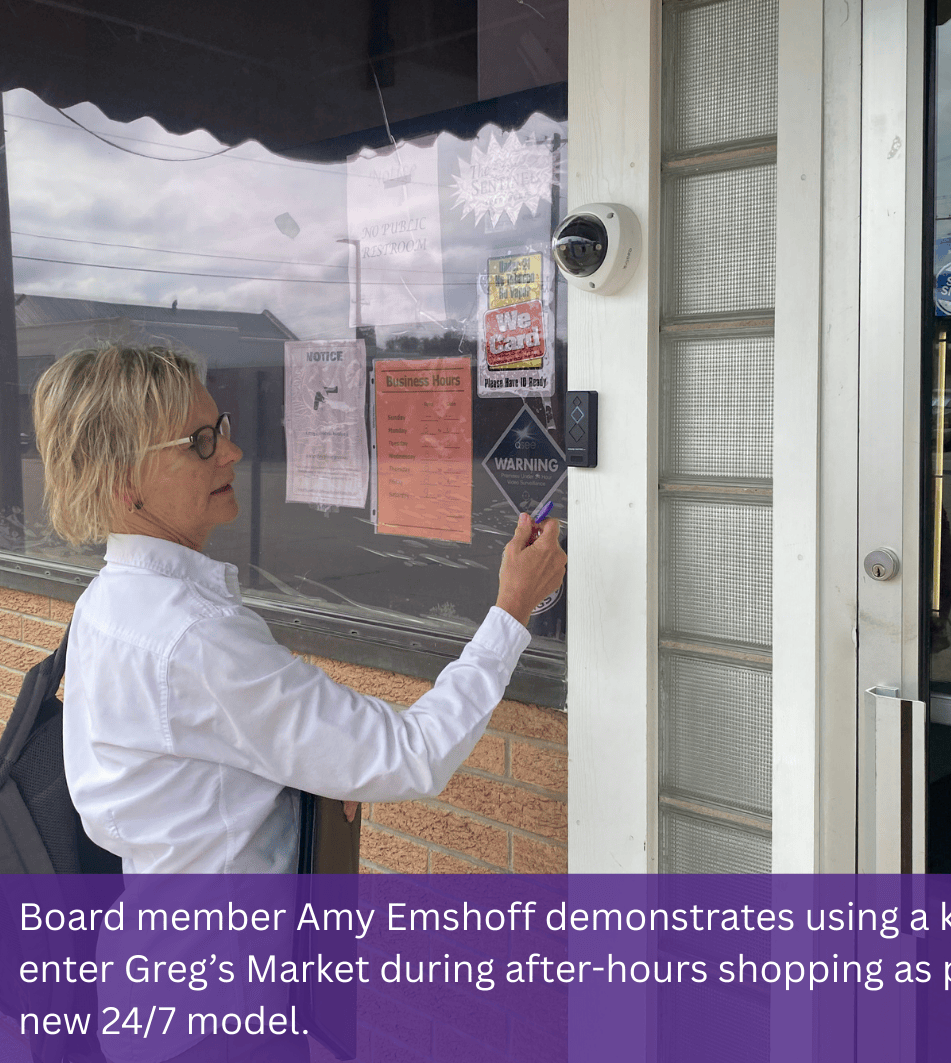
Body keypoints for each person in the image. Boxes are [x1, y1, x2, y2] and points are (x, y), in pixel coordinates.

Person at [33, 344, 566, 874]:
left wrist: (320, 770)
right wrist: (513, 608)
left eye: (218, 426)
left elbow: (196, 763)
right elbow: (411, 753)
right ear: (124, 482)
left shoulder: (105, 603)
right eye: (199, 443)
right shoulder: (195, 638)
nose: (231, 451)